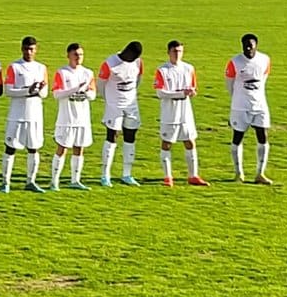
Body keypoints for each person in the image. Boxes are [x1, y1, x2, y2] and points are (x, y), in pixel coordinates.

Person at [154, 39, 208, 187]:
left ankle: (193, 175)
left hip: (185, 112)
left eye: (180, 51)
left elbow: (193, 88)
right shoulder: (162, 70)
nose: (177, 54)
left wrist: (191, 92)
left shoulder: (189, 68)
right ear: (168, 52)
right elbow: (160, 92)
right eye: (174, 51)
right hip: (170, 113)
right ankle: (168, 176)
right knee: (167, 143)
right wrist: (180, 93)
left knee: (190, 141)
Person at [0, 35, 48, 192]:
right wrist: (28, 90)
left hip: (34, 114)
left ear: (36, 50)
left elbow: (45, 92)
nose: (29, 52)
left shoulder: (41, 68)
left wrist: (38, 91)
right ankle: (5, 182)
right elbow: (8, 91)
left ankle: (31, 181)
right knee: (10, 147)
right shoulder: (15, 67)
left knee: (33, 148)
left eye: (32, 49)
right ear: (22, 49)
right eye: (26, 49)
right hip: (17, 114)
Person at [226, 32, 274, 184]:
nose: (248, 49)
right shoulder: (235, 62)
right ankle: (238, 173)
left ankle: (260, 173)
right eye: (245, 46)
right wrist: (237, 98)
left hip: (260, 105)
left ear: (256, 46)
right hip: (240, 106)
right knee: (237, 137)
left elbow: (264, 78)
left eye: (251, 46)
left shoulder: (264, 59)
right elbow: (229, 84)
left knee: (263, 136)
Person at [97, 40, 145, 187]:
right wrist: (109, 99)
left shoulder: (138, 62)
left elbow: (138, 80)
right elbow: (100, 85)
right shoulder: (110, 63)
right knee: (112, 136)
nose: (133, 60)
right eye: (132, 57)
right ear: (127, 52)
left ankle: (127, 174)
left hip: (131, 105)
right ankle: (105, 175)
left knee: (130, 136)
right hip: (114, 105)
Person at [50, 42, 95, 189]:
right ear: (68, 55)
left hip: (82, 119)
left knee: (79, 148)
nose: (78, 57)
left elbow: (93, 94)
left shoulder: (88, 73)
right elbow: (57, 94)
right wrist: (75, 89)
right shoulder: (62, 73)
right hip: (67, 118)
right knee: (62, 148)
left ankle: (75, 180)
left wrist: (86, 92)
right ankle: (54, 181)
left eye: (81, 55)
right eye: (75, 54)